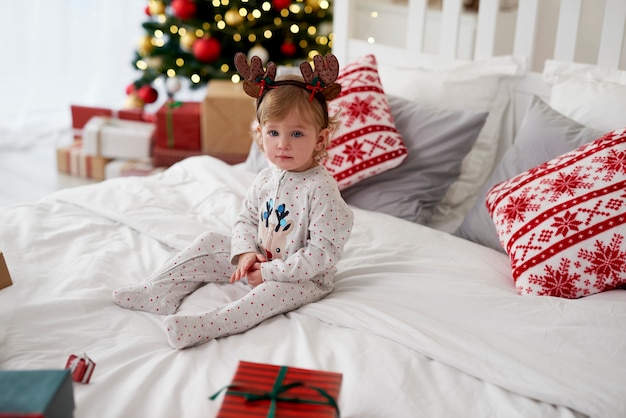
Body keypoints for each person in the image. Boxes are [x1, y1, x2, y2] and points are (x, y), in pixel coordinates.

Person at [112, 52, 354, 349]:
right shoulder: (267, 177)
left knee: (268, 296)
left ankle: (205, 324)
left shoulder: (321, 190)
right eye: (274, 132)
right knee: (211, 240)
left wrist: (267, 273)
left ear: (320, 139)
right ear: (260, 134)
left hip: (302, 279)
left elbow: (320, 256)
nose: (283, 144)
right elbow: (247, 219)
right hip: (258, 261)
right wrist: (245, 253)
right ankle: (158, 290)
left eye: (297, 133)